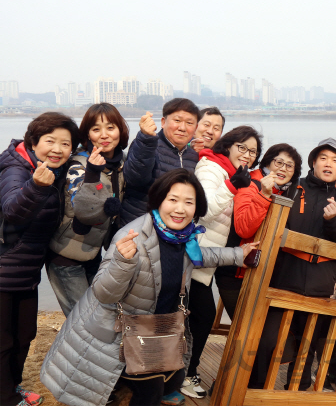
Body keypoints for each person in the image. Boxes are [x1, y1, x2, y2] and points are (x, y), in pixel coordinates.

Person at [40, 169, 257, 406]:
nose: (180, 209)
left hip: (150, 330)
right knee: (148, 391)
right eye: (172, 200)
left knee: (156, 385)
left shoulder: (182, 239)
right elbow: (103, 293)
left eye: (188, 202)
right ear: (158, 200)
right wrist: (122, 263)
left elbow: (202, 256)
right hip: (115, 334)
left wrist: (239, 255)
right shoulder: (133, 237)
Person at [249, 138, 336, 390]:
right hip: (284, 278)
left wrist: (332, 221)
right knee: (267, 340)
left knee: (306, 347)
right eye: (323, 158)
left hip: (320, 285)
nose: (328, 164)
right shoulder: (293, 188)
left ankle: (296, 392)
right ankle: (253, 389)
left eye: (335, 160)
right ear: (313, 162)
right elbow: (273, 225)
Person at [0, 112, 80, 406]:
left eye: (65, 143)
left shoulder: (50, 169)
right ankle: (6, 398)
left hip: (27, 271)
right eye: (50, 141)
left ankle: (11, 388)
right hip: (4, 269)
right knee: (5, 341)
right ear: (33, 141)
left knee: (24, 336)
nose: (57, 149)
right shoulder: (16, 170)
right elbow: (12, 211)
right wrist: (35, 186)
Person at [189, 125, 262, 398]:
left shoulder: (232, 172)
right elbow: (204, 210)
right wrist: (233, 187)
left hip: (208, 261)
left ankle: (184, 371)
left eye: (253, 151)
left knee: (198, 316)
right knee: (203, 316)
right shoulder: (211, 168)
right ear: (228, 145)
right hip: (195, 256)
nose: (247, 154)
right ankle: (186, 373)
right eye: (242, 147)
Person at [47, 103, 129, 316]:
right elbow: (83, 209)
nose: (104, 135)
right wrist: (93, 172)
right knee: (82, 322)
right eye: (96, 129)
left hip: (92, 254)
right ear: (88, 135)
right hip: (66, 257)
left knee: (100, 315)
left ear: (120, 130)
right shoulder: (79, 165)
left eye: (110, 128)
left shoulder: (119, 163)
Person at [224, 143, 303, 320]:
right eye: (279, 163)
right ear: (267, 163)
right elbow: (244, 229)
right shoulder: (251, 184)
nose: (283, 169)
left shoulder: (288, 191)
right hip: (237, 273)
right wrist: (264, 195)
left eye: (290, 166)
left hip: (263, 274)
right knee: (245, 328)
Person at [120, 98, 200, 227]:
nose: (182, 127)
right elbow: (134, 179)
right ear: (163, 122)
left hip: (174, 230)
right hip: (139, 227)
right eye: (177, 120)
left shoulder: (193, 155)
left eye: (189, 123)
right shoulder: (147, 145)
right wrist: (146, 138)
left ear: (196, 128)